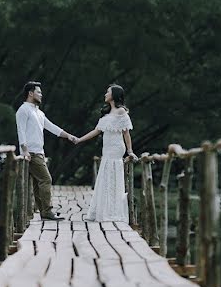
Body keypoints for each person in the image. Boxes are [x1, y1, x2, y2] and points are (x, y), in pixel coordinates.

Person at [74, 84, 138, 222]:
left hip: (116, 149)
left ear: (114, 95)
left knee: (113, 176)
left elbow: (126, 133)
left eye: (107, 92)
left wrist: (130, 151)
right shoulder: (107, 114)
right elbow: (96, 131)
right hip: (107, 149)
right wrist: (79, 140)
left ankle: (113, 211)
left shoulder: (121, 111)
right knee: (105, 176)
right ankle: (103, 210)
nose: (105, 94)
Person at [15, 81, 77, 221]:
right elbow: (21, 131)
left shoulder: (39, 113)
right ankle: (47, 211)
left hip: (39, 152)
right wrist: (24, 150)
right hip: (31, 153)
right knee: (46, 179)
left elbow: (52, 127)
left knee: (39, 183)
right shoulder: (23, 110)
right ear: (30, 93)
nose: (41, 95)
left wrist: (68, 136)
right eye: (39, 92)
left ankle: (44, 212)